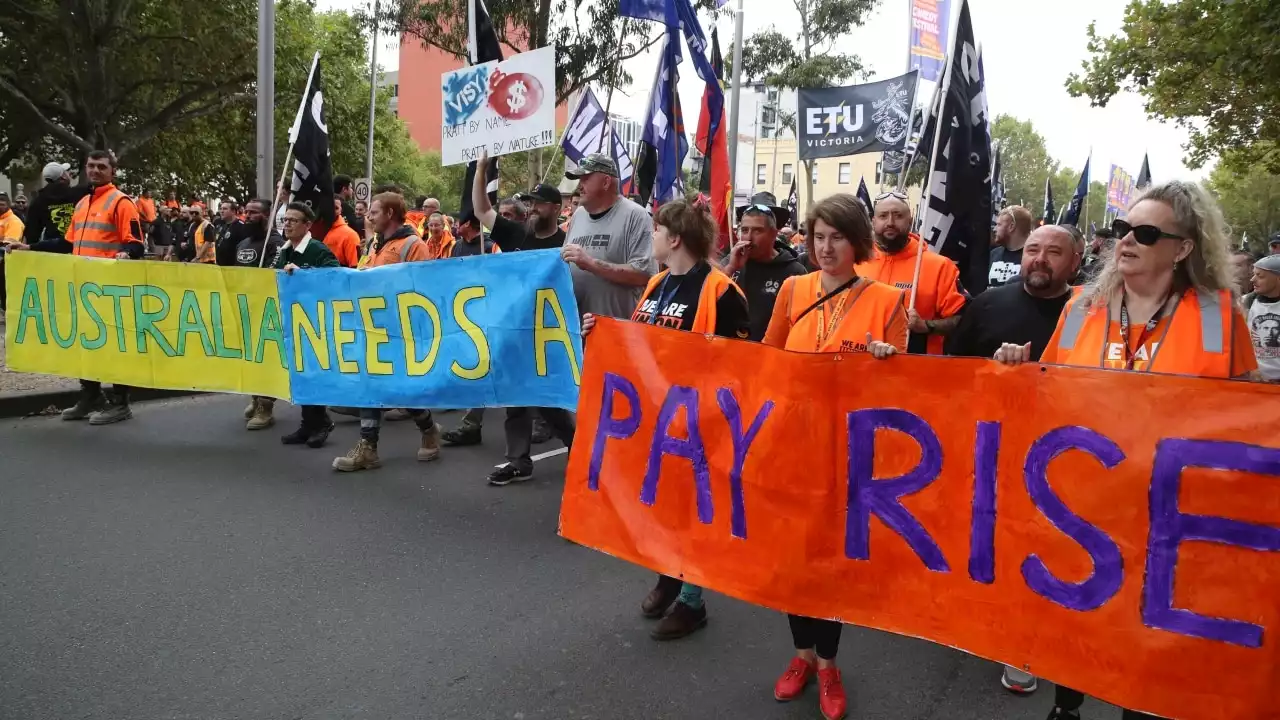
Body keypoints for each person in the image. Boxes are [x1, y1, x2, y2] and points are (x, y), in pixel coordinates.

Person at [999, 182, 1256, 720]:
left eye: (1144, 233)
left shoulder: (1220, 316)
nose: (1126, 242)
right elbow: (1050, 395)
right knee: (1078, 623)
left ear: (1182, 247)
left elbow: (1248, 417)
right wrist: (1019, 371)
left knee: (1146, 638)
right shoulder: (1079, 308)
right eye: (1122, 230)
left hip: (1170, 511)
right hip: (1085, 505)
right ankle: (1065, 707)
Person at [761, 194, 907, 720]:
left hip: (849, 455)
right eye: (818, 237)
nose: (825, 248)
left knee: (831, 563)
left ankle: (828, 664)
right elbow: (766, 360)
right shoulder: (795, 289)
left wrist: (890, 363)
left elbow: (905, 393)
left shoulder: (888, 300)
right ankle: (801, 656)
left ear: (857, 242)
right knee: (795, 560)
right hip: (791, 445)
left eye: (837, 238)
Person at [580, 199, 749, 640]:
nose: (650, 237)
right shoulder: (656, 283)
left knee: (695, 513)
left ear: (674, 238)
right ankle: (668, 575)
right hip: (657, 423)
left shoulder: (721, 292)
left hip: (700, 426)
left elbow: (742, 367)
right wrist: (601, 335)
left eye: (656, 230)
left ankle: (693, 601)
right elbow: (639, 342)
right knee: (663, 506)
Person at [441, 157, 569, 447]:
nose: (533, 208)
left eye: (539, 203)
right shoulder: (516, 233)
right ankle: (516, 457)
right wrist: (482, 169)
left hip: (546, 330)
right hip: (513, 326)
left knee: (545, 396)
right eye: (531, 203)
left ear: (556, 208)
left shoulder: (566, 241)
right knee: (514, 396)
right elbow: (481, 209)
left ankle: (572, 442)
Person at [331, 192, 444, 472]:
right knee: (372, 384)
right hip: (372, 329)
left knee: (401, 390)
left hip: (401, 331)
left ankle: (428, 428)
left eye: (374, 212)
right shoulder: (374, 245)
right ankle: (368, 447)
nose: (368, 216)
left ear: (390, 214)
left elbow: (425, 289)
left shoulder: (413, 245)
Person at [31, 151, 143, 424]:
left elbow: (136, 243)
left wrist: (127, 253)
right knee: (85, 343)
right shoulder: (82, 203)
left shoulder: (121, 202)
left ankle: (120, 403)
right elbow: (66, 244)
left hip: (109, 288)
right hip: (82, 286)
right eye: (90, 166)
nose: (94, 170)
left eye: (101, 166)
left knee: (114, 346)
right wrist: (30, 248)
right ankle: (91, 394)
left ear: (112, 171)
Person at [948, 224, 1084, 363]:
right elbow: (955, 367)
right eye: (1032, 250)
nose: (1040, 259)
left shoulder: (1082, 313)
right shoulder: (986, 304)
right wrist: (996, 367)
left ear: (1074, 262)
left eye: (1054, 252)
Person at [856, 192, 966, 353]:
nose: (890, 222)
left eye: (898, 215)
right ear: (873, 222)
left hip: (916, 367)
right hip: (861, 362)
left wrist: (926, 325)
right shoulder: (856, 262)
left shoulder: (939, 266)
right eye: (883, 216)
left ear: (910, 220)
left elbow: (964, 318)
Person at [274, 202, 341, 448]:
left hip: (314, 321)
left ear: (307, 225)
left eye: (293, 220)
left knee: (312, 372)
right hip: (293, 320)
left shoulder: (316, 249)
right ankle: (307, 424)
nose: (287, 224)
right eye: (285, 220)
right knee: (299, 373)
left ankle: (321, 421)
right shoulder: (285, 250)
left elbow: (335, 275)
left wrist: (304, 273)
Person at [724, 191, 808, 341]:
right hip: (728, 353)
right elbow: (707, 299)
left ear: (774, 234)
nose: (749, 238)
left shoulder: (794, 271)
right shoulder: (731, 261)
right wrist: (730, 268)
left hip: (769, 356)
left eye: (757, 231)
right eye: (744, 230)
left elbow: (803, 325)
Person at [235, 198, 287, 429]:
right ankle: (255, 397)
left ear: (266, 216)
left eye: (253, 213)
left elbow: (271, 276)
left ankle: (266, 406)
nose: (247, 216)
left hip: (267, 309)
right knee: (250, 356)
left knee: (266, 357)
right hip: (244, 307)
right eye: (246, 212)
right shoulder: (243, 242)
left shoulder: (275, 243)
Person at [21, 162, 89, 251]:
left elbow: (32, 234)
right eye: (67, 172)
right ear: (63, 176)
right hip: (80, 247)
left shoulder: (38, 202)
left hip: (53, 251)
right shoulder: (81, 193)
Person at [1245, 254, 1280, 382]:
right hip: (1255, 380)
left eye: (1260, 276)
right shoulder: (1246, 302)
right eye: (1254, 274)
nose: (1252, 280)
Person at [988, 205, 1033, 287]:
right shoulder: (994, 254)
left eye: (999, 225)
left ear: (1011, 226)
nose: (994, 229)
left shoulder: (1032, 257)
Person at [322, 196, 360, 268]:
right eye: (328, 207)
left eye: (336, 208)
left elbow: (354, 269)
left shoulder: (350, 235)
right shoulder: (311, 229)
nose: (331, 211)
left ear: (341, 211)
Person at [214, 200, 249, 266]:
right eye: (220, 209)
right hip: (220, 266)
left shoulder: (241, 226)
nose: (221, 211)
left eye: (225, 209)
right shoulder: (220, 226)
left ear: (233, 211)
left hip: (233, 267)